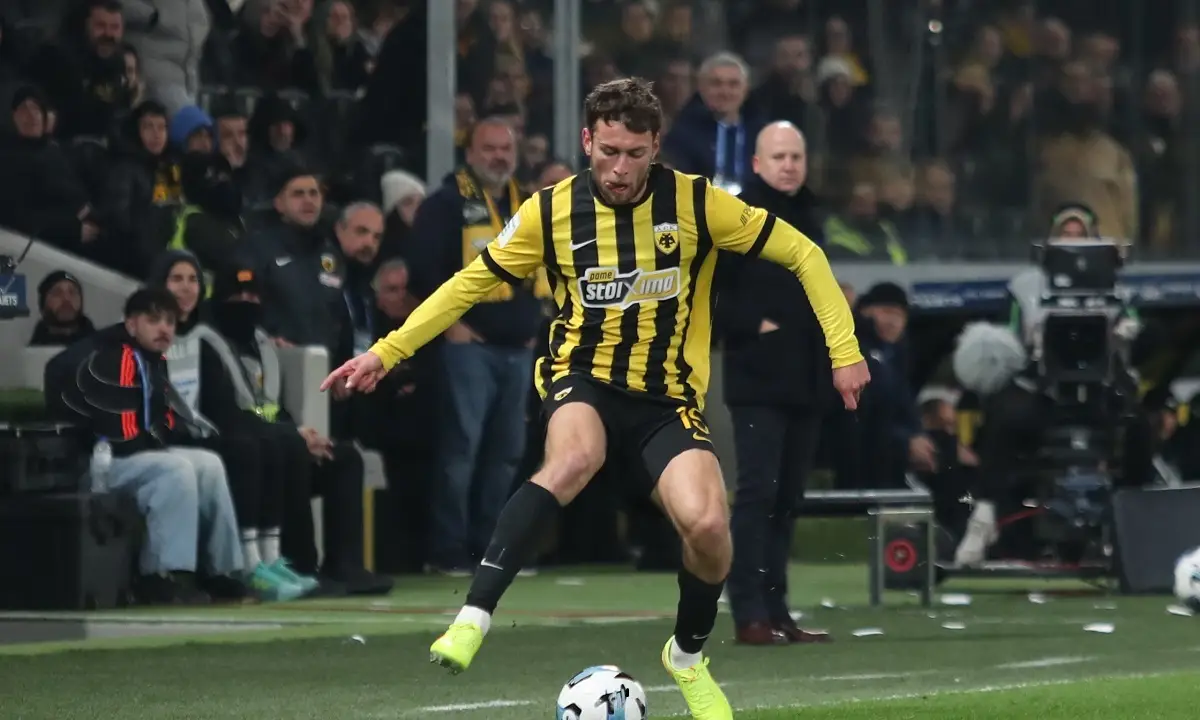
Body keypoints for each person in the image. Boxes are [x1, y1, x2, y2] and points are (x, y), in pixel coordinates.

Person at [323, 78, 869, 720]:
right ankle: (473, 616)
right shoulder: (549, 212)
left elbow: (803, 253)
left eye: (635, 154)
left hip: (666, 398)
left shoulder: (697, 203)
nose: (620, 169)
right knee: (574, 459)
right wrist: (387, 351)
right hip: (580, 378)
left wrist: (845, 350)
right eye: (609, 151)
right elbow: (467, 284)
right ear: (587, 141)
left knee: (708, 526)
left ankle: (687, 657)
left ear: (655, 147)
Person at [716, 121, 832, 646]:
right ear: (757, 163)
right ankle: (749, 612)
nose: (789, 165)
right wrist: (753, 327)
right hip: (758, 378)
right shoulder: (735, 217)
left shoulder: (812, 214)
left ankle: (777, 609)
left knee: (787, 498)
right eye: (779, 157)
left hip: (807, 377)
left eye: (796, 156)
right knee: (757, 494)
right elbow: (707, 294)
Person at [52, 288, 245, 603]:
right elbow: (123, 438)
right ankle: (161, 576)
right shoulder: (115, 358)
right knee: (175, 470)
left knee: (209, 464)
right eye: (153, 320)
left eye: (169, 321)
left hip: (131, 458)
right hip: (97, 464)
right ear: (131, 324)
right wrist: (161, 442)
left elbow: (159, 427)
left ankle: (221, 572)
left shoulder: (152, 359)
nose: (164, 329)